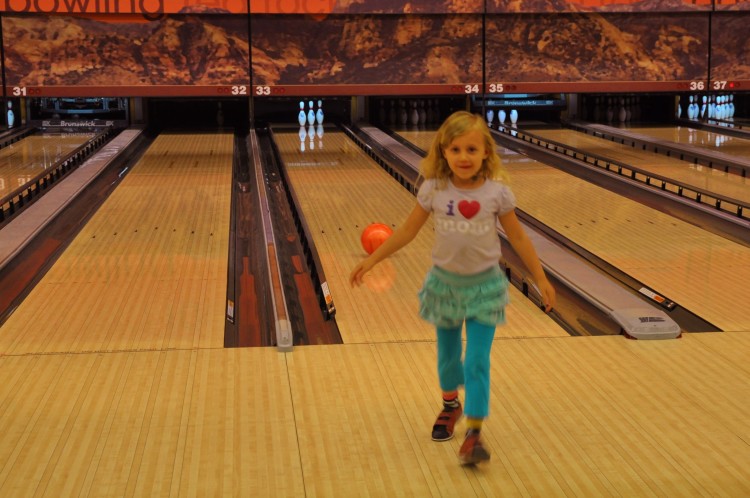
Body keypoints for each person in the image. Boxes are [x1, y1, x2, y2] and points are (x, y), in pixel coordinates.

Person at [349, 110, 555, 465]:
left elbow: (518, 238)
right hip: (444, 286)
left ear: (486, 153)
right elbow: (407, 232)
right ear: (443, 151)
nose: (463, 157)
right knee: (448, 361)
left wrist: (541, 277)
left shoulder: (497, 193)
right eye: (456, 149)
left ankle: (474, 432)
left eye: (472, 150)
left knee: (476, 360)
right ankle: (450, 405)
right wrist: (372, 260)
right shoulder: (433, 189)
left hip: (485, 287)